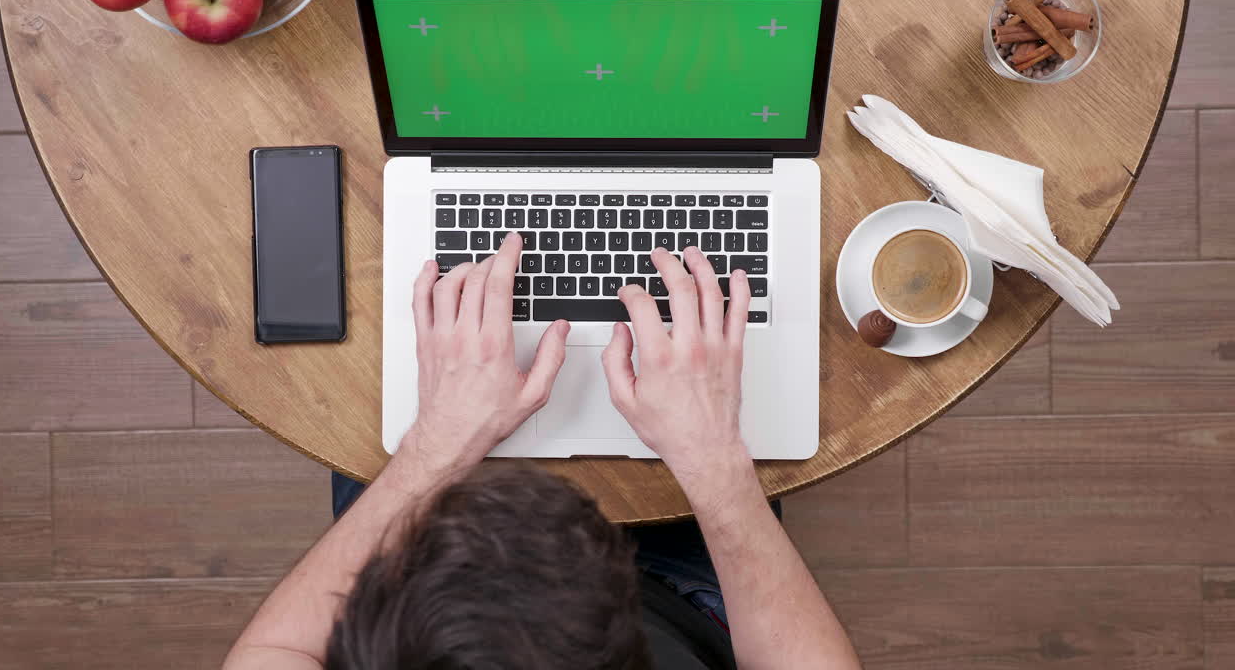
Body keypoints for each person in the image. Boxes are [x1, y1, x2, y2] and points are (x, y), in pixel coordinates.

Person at [223, 233, 861, 670]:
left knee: (358, 418)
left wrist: (434, 446)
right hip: (678, 590)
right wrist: (715, 459)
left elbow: (269, 654)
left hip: (444, 568)